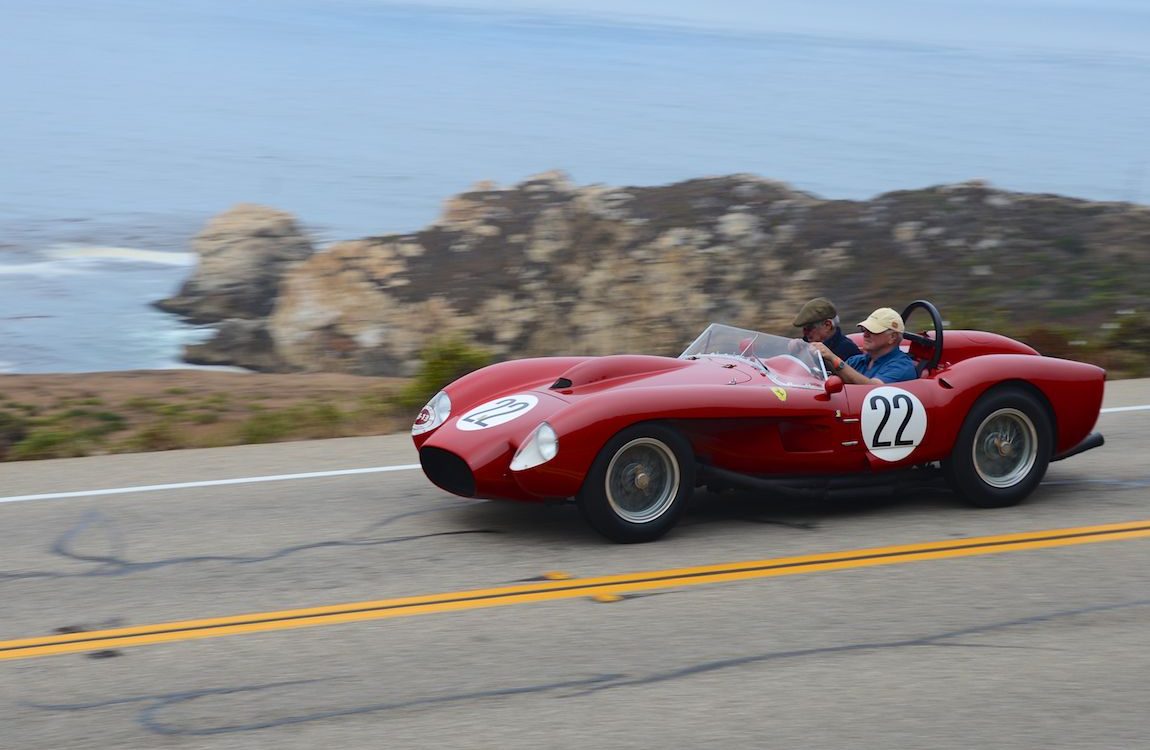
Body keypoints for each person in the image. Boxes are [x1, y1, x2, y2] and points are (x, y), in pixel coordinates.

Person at [811, 307, 917, 384]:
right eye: (864, 330)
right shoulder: (856, 361)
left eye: (872, 331)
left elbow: (874, 388)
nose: (865, 334)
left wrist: (833, 358)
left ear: (892, 337)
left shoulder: (902, 366)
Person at [792, 297, 861, 361]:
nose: (805, 333)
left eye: (809, 328)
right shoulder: (804, 344)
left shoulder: (847, 349)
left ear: (827, 325)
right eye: (804, 329)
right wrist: (795, 352)